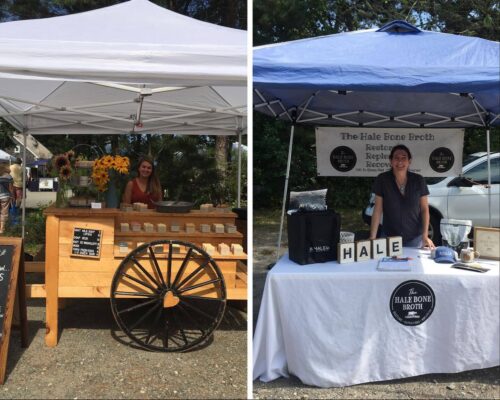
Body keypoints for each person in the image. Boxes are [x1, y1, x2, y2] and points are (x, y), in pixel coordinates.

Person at [369, 144, 435, 249]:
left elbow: (424, 209)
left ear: (409, 161)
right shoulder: (382, 179)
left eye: (404, 158)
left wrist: (425, 235)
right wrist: (372, 238)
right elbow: (377, 209)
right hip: (389, 238)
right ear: (391, 161)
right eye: (396, 158)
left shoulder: (419, 180)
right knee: (386, 265)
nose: (400, 161)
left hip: (414, 239)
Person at [0, 163, 13, 234]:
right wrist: (12, 196)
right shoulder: (8, 176)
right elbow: (11, 188)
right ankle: (2, 229)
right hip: (5, 196)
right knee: (4, 213)